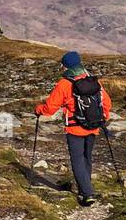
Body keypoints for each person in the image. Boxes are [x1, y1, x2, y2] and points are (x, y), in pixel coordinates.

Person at [35, 50, 111, 206]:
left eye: (63, 66)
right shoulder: (93, 81)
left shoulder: (64, 84)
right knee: (87, 158)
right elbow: (106, 102)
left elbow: (50, 108)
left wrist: (38, 110)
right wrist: (103, 118)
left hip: (74, 129)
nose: (62, 68)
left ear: (66, 66)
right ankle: (85, 187)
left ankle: (88, 193)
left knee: (77, 161)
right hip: (93, 126)